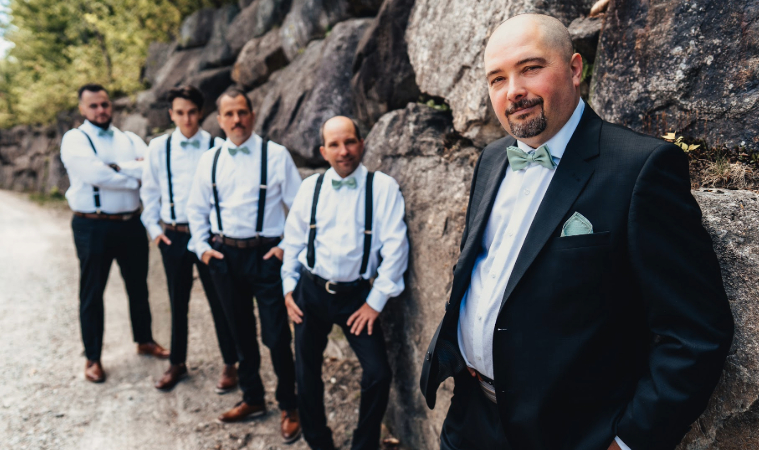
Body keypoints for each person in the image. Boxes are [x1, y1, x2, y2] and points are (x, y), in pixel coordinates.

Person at [419, 14, 734, 450]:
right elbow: (483, 267)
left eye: (530, 68)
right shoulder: (492, 159)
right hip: (471, 418)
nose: (513, 91)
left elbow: (695, 332)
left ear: (574, 68)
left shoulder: (640, 169)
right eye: (497, 79)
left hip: (569, 433)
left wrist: (629, 442)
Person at [281, 116, 408, 450]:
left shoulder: (382, 188)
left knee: (378, 373)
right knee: (306, 373)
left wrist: (375, 302)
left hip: (357, 297)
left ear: (362, 143)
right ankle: (318, 441)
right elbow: (293, 241)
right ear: (323, 151)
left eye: (349, 142)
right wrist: (288, 288)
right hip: (310, 291)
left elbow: (396, 250)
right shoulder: (311, 188)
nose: (344, 151)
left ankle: (363, 444)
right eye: (334, 145)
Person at [186, 88, 302, 443]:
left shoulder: (276, 155)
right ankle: (253, 397)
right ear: (220, 121)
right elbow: (196, 209)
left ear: (252, 115)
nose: (236, 120)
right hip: (225, 258)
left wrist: (285, 248)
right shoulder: (210, 159)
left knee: (277, 337)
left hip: (267, 257)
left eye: (242, 112)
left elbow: (298, 209)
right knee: (239, 335)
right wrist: (203, 249)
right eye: (229, 114)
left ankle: (289, 405)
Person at [61, 83, 169, 384]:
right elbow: (94, 174)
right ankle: (93, 358)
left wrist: (117, 168)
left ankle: (144, 339)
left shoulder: (129, 138)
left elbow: (151, 171)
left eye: (104, 104)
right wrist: (131, 175)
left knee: (138, 286)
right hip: (92, 225)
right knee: (92, 291)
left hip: (131, 223)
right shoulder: (75, 139)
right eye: (93, 106)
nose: (100, 110)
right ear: (82, 109)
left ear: (112, 106)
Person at [140, 85, 240, 392]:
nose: (186, 119)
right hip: (173, 236)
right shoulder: (158, 148)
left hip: (208, 237)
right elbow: (150, 194)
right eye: (180, 113)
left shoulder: (216, 145)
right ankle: (177, 362)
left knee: (219, 301)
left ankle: (230, 362)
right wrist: (156, 233)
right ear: (171, 114)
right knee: (177, 301)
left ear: (201, 113)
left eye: (192, 112)